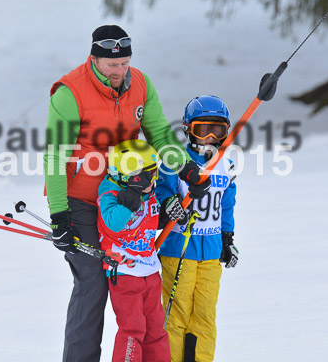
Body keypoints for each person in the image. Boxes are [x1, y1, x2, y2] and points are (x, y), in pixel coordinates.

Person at [43, 24, 211, 362]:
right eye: (111, 65)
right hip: (82, 201)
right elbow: (55, 156)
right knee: (94, 283)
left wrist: (187, 169)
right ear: (94, 59)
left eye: (124, 64)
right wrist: (60, 215)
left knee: (138, 285)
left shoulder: (141, 85)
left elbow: (161, 134)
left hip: (130, 195)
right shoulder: (69, 93)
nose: (119, 72)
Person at [156, 95, 239, 362]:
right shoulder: (176, 160)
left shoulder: (226, 164)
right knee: (177, 314)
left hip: (212, 252)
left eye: (218, 131)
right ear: (188, 129)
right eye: (203, 130)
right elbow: (162, 190)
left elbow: (227, 203)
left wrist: (227, 239)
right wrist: (171, 205)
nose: (210, 138)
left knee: (205, 315)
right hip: (179, 250)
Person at [96, 139, 171, 362]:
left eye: (154, 172)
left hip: (149, 271)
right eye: (147, 175)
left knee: (156, 328)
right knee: (133, 328)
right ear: (129, 175)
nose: (153, 179)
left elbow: (155, 220)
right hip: (124, 272)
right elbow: (114, 223)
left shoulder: (149, 193)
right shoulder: (110, 193)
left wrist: (171, 212)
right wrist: (131, 198)